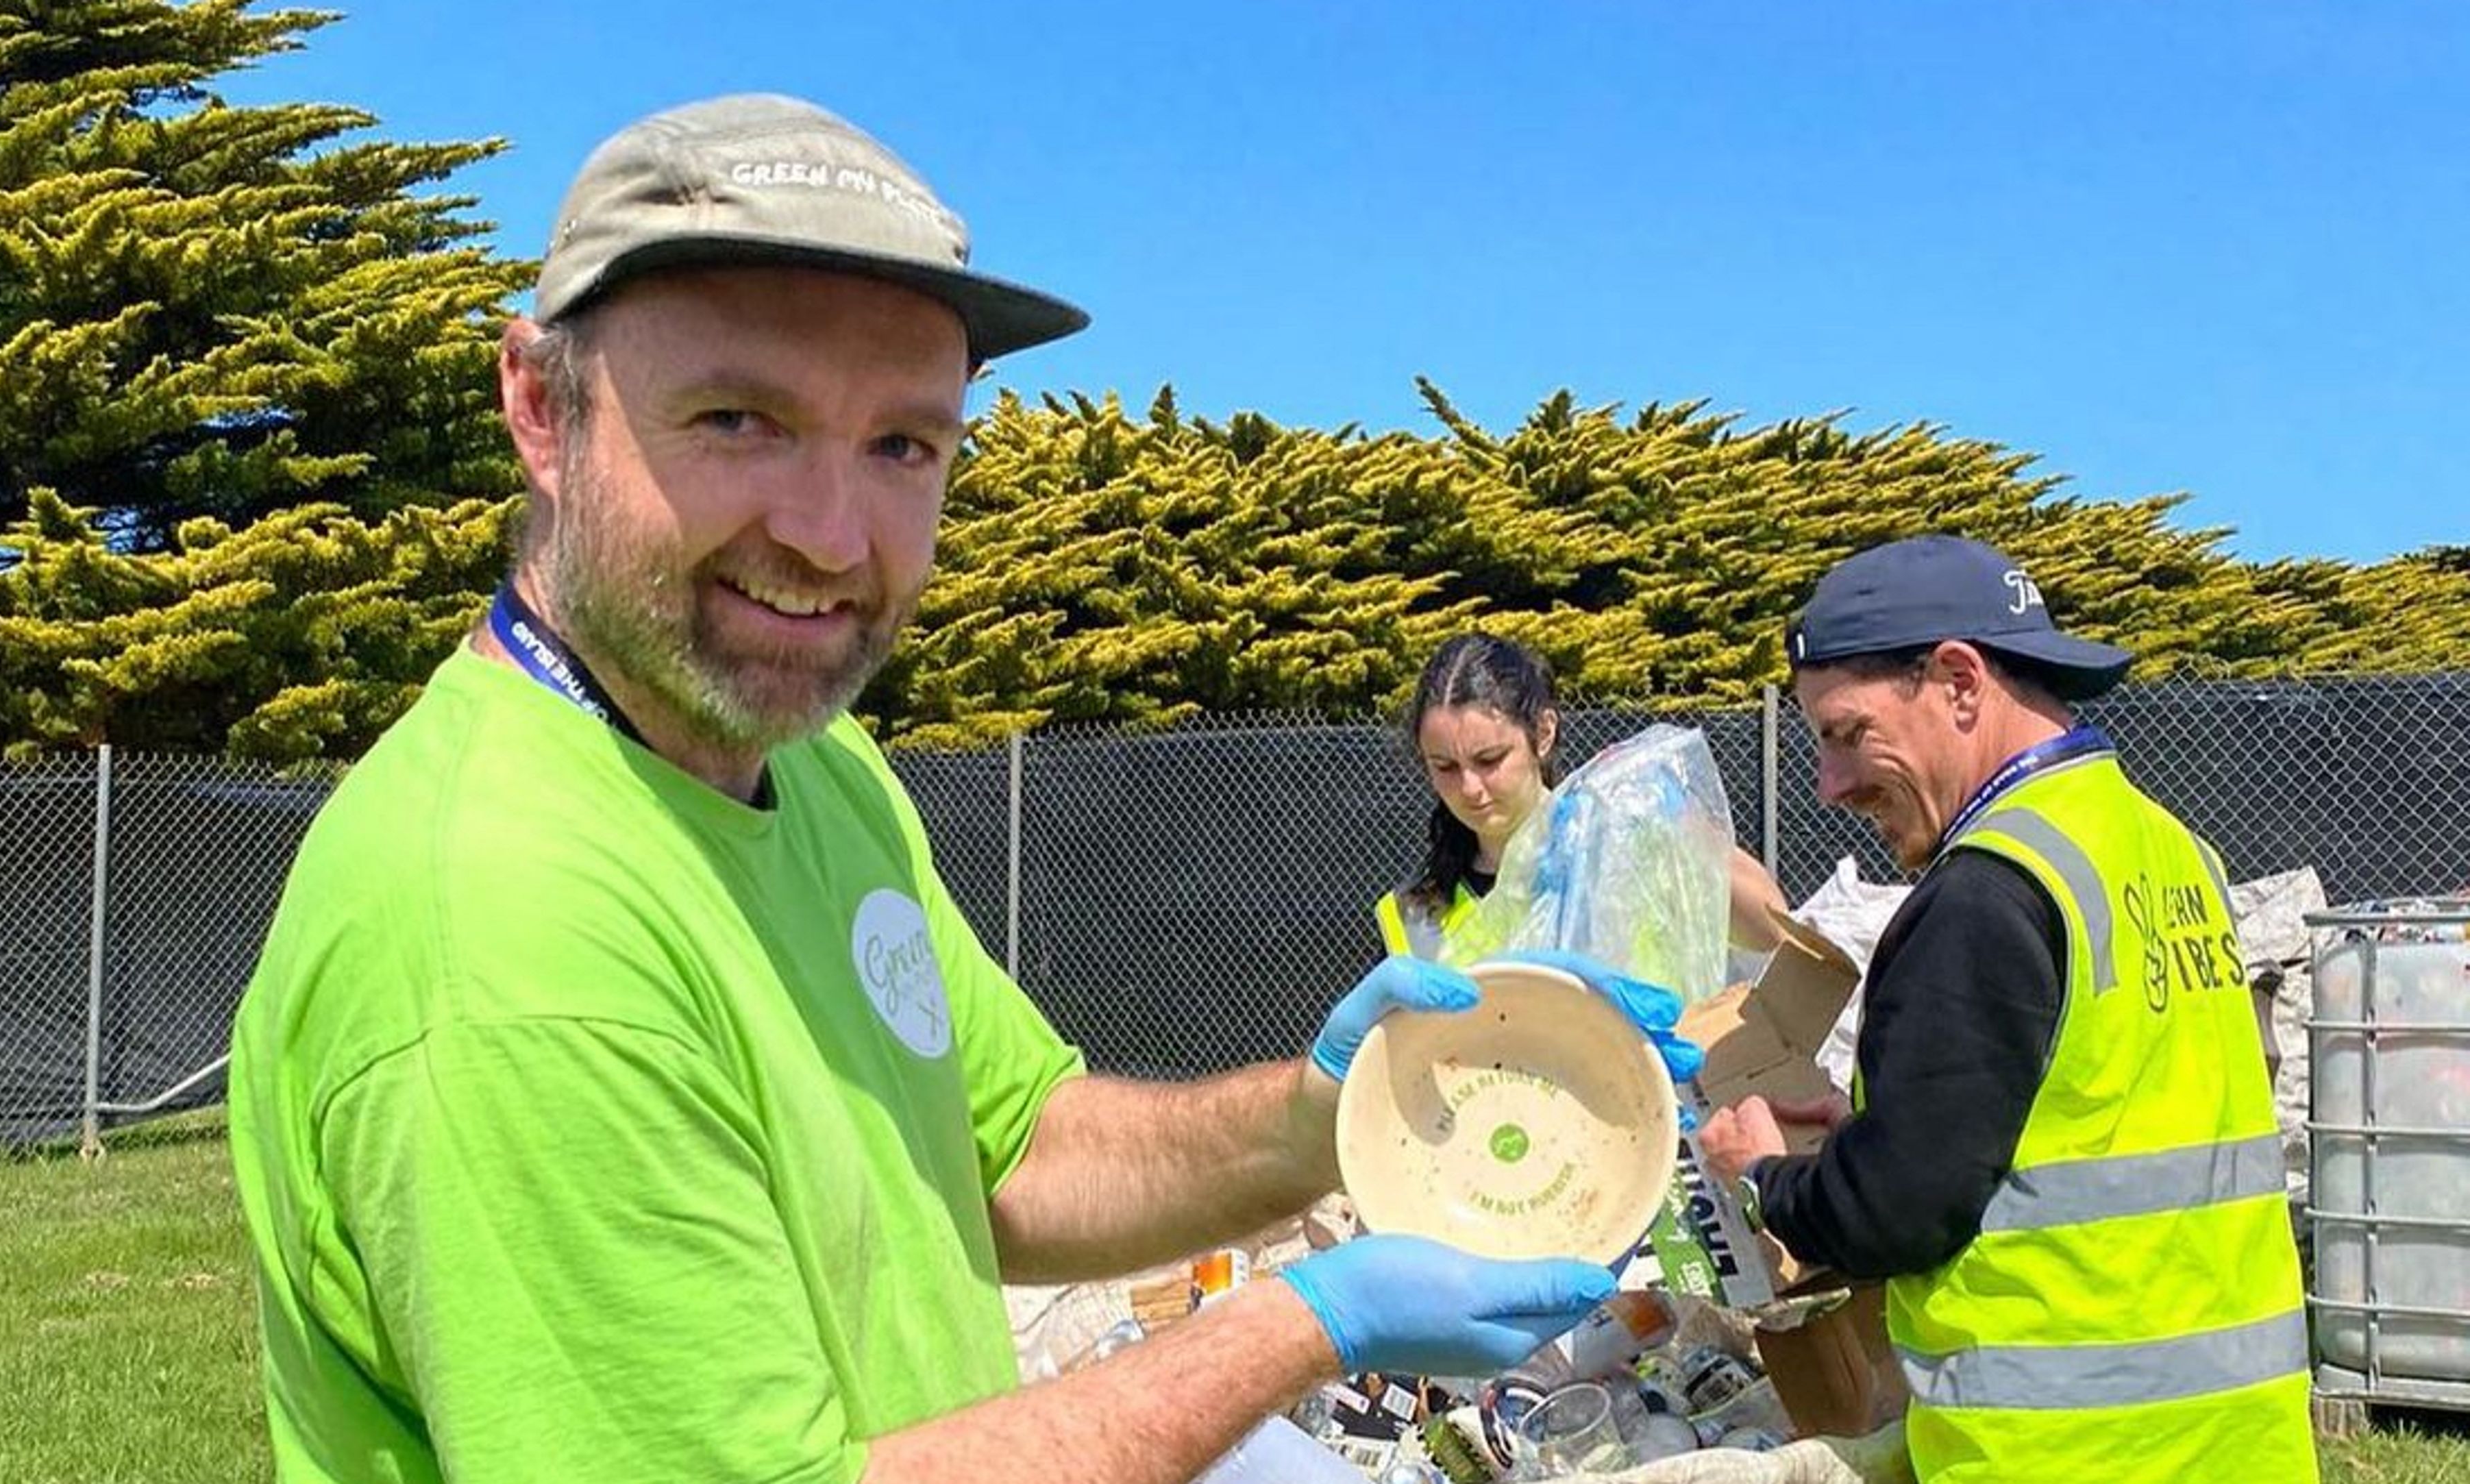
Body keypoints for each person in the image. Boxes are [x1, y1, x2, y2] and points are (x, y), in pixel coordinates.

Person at [227, 94, 1690, 1484]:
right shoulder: (509, 935)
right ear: (542, 408)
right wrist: (1304, 1324)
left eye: (902, 445)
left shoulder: (816, 765)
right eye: (739, 419)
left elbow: (1012, 1155)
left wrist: (1342, 1117)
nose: (825, 534)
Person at [1696, 535, 2317, 1483]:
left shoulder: (1986, 890)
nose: (1831, 783)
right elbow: (2092, 1113)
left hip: (2063, 1446)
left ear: (1958, 681)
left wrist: (1765, 1178)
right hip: (2238, 1439)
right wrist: (1882, 1130)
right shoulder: (2168, 846)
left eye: (1846, 732)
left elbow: (1900, 1212)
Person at [1378, 632, 1793, 964]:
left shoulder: (1620, 844)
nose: (1470, 787)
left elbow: (1773, 932)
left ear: (1543, 733)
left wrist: (1680, 826)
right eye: (1445, 767)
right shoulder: (1415, 917)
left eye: (1490, 759)